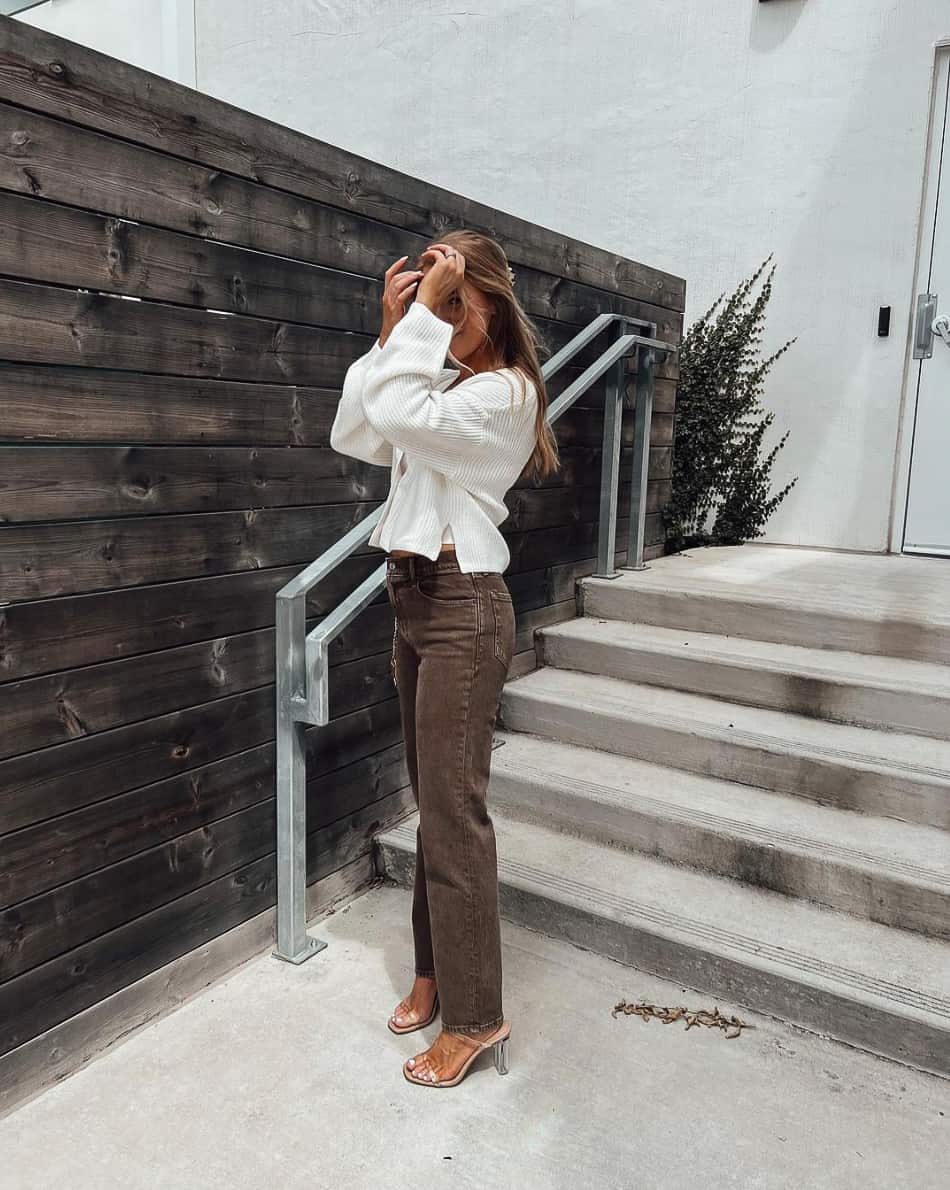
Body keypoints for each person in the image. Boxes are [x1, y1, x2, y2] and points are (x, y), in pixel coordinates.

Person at [330, 230, 559, 1087]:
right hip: (414, 598)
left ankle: (475, 1017)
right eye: (439, 305)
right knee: (431, 804)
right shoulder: (438, 380)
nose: (446, 320)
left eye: (457, 304)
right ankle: (434, 972)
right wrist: (395, 334)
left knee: (455, 815)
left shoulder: (504, 394)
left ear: (490, 304)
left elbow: (396, 416)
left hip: (463, 605)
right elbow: (358, 430)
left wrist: (416, 328)